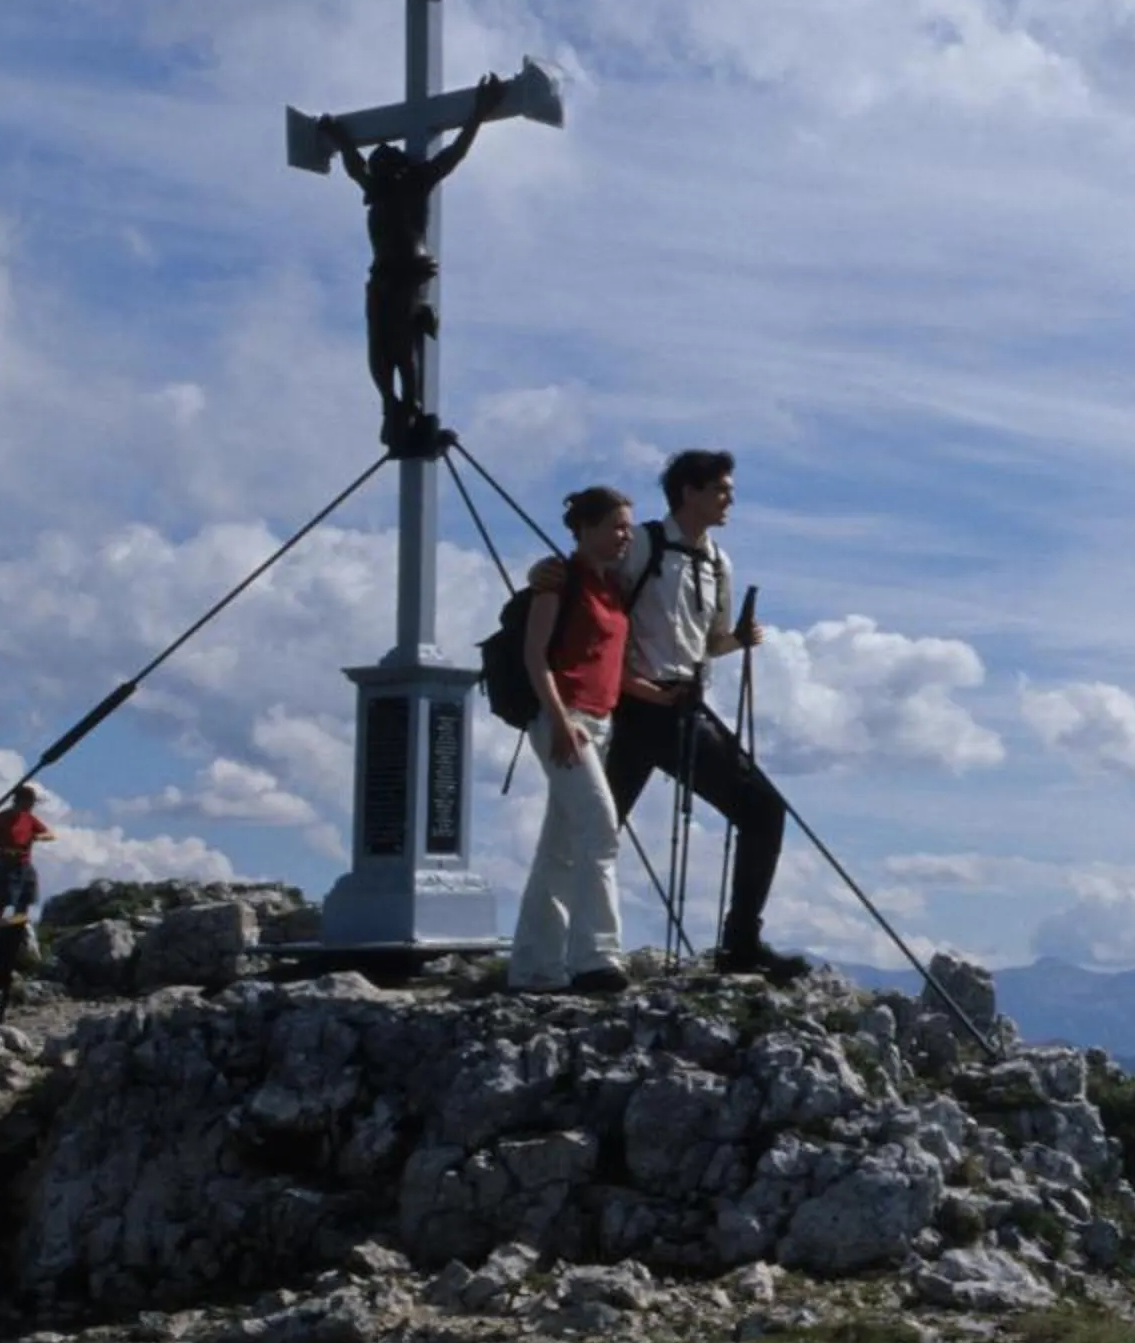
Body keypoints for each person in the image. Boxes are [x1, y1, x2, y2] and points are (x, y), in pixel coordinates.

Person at [543, 448, 803, 981]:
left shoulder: (717, 561)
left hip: (674, 702)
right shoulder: (640, 543)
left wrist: (738, 641)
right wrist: (544, 574)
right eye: (721, 489)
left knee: (593, 828)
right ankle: (740, 945)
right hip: (649, 705)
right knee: (761, 811)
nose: (730, 498)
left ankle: (558, 953)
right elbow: (590, 588)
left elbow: (708, 641)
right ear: (689, 492)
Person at [318, 74, 507, 452]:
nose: (382, 168)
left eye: (388, 163)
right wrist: (339, 138)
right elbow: (355, 166)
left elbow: (455, 152)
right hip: (382, 273)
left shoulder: (416, 181)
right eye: (380, 164)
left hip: (412, 271)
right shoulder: (378, 189)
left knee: (405, 346)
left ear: (400, 166)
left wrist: (479, 112)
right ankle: (391, 404)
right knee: (379, 346)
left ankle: (414, 403)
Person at [509, 486, 638, 996]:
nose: (624, 534)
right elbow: (535, 656)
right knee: (601, 831)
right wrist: (559, 720)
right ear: (585, 529)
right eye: (615, 525)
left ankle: (534, 967)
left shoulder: (613, 587)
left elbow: (609, 665)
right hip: (567, 719)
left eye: (627, 526)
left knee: (560, 847)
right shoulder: (559, 581)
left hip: (600, 720)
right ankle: (596, 958)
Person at [0, 783, 55, 1019]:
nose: (31, 807)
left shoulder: (29, 819)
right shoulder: (0, 819)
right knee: (5, 906)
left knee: (25, 903)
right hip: (7, 867)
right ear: (19, 800)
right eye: (29, 802)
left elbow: (50, 834)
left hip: (25, 866)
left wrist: (37, 836)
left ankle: (18, 935)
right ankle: (1, 939)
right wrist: (2, 852)